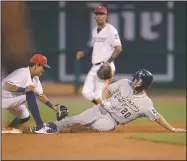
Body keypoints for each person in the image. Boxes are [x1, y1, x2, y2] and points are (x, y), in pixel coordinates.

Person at [46, 69, 186, 133]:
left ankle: (79, 129)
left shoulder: (146, 103)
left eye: (138, 79)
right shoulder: (125, 82)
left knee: (97, 127)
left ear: (144, 84)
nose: (135, 80)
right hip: (101, 109)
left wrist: (172, 129)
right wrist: (104, 99)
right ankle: (48, 127)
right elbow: (108, 88)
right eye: (135, 77)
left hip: (112, 121)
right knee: (75, 119)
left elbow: (157, 117)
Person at [2, 54, 63, 134]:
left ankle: (8, 129)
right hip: (3, 99)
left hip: (12, 99)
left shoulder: (35, 78)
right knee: (30, 93)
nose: (44, 70)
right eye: (43, 67)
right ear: (37, 65)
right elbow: (5, 86)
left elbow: (40, 95)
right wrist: (24, 89)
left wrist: (53, 107)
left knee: (25, 117)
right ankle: (40, 127)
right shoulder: (22, 73)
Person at [76, 6, 122, 105]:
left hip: (106, 66)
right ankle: (109, 108)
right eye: (97, 14)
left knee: (98, 95)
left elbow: (118, 49)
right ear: (95, 17)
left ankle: (107, 113)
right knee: (86, 93)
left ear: (106, 16)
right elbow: (92, 47)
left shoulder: (111, 30)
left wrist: (108, 62)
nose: (99, 16)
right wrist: (84, 53)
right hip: (95, 66)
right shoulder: (94, 31)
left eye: (101, 14)